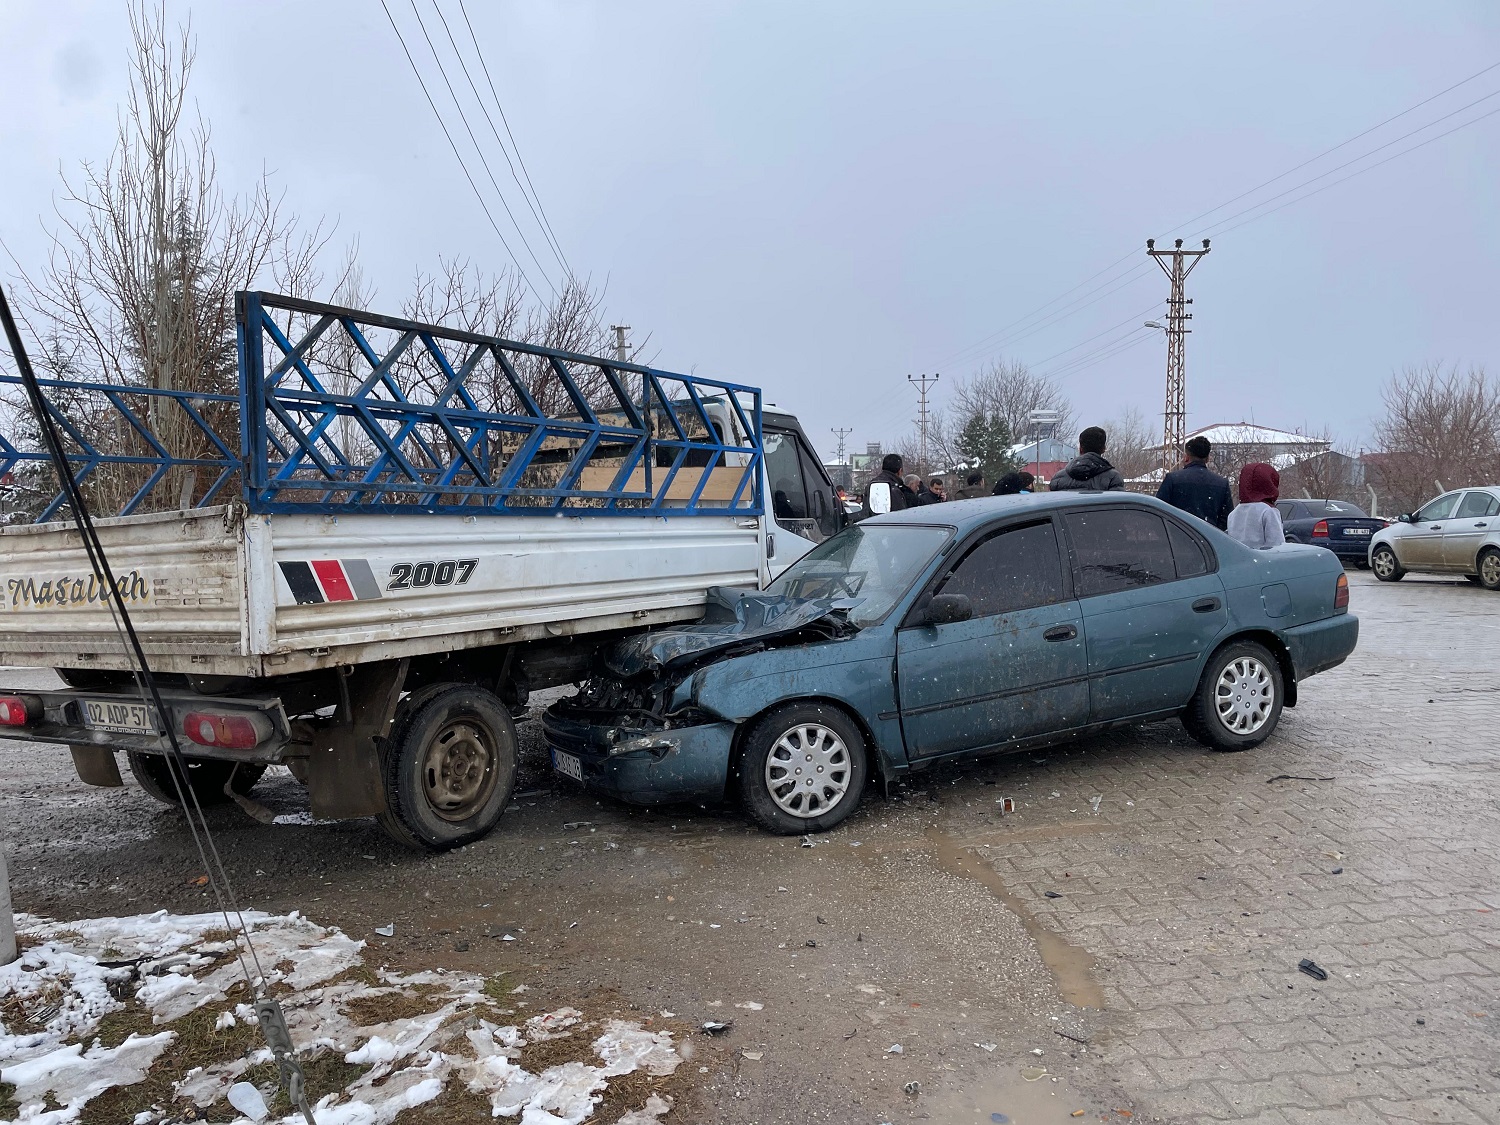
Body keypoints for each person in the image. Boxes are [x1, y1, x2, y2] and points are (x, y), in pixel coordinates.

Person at [1157, 435, 1232, 530]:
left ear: (1186, 457)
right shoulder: (1222, 484)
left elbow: (1159, 511)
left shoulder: (1172, 479)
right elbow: (1227, 519)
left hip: (1176, 538)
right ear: (1208, 458)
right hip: (1210, 540)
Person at [1227, 462, 1285, 549]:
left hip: (1239, 560)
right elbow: (1277, 545)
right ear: (1269, 484)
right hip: (1263, 560)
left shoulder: (1233, 514)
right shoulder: (1268, 511)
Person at [1050, 427, 1125, 492]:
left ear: (1080, 449)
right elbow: (1118, 506)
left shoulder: (1059, 478)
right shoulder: (1113, 478)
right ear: (1103, 449)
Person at [860, 453, 910, 518]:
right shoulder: (895, 489)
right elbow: (901, 517)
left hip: (870, 526)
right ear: (900, 471)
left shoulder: (871, 485)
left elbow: (866, 512)